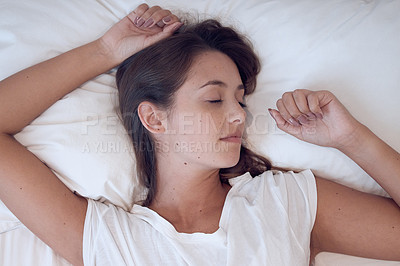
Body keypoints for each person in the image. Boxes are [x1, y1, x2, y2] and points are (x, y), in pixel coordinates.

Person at [0, 3, 399, 266]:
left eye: (241, 101)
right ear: (154, 120)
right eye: (214, 100)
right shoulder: (108, 240)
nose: (238, 116)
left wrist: (352, 139)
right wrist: (105, 51)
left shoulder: (287, 202)